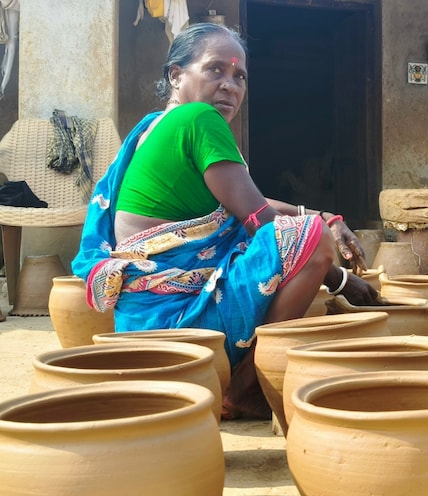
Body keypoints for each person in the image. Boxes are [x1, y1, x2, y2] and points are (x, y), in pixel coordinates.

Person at [72, 23, 379, 419]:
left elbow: (241, 203)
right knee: (311, 242)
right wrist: (339, 277)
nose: (230, 85)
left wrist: (322, 214)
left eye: (239, 75)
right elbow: (260, 221)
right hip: (181, 325)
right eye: (215, 69)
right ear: (176, 75)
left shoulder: (155, 126)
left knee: (304, 234)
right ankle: (243, 387)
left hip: (143, 326)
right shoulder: (199, 119)